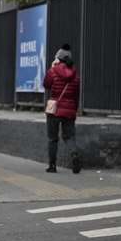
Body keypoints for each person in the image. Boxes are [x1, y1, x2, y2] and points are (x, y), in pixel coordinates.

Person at [44, 43, 81, 174]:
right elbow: (76, 94)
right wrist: (74, 108)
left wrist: (51, 68)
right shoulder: (75, 75)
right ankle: (74, 154)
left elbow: (46, 84)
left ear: (58, 59)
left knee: (52, 138)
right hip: (69, 109)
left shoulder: (53, 71)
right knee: (69, 137)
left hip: (54, 110)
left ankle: (52, 165)